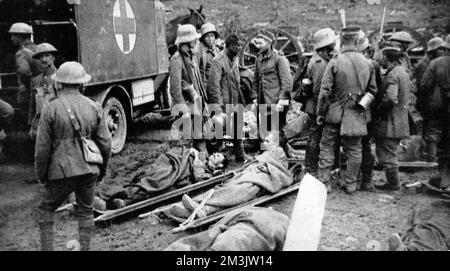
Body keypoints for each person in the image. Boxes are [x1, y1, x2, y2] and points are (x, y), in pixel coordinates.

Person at [35, 61, 112, 251]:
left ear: (59, 84)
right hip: (89, 169)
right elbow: (106, 143)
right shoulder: (93, 106)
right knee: (86, 211)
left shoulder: (50, 109)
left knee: (46, 208)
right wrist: (102, 171)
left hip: (61, 172)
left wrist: (42, 175)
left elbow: (42, 148)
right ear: (82, 84)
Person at [316, 26, 378, 194]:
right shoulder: (368, 63)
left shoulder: (335, 62)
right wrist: (360, 106)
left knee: (327, 146)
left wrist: (321, 114)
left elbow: (325, 93)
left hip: (334, 114)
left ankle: (325, 183)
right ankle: (351, 184)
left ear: (341, 41)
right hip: (356, 115)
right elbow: (372, 91)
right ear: (357, 41)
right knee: (355, 149)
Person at [207, 34, 255, 162]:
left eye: (240, 45)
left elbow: (238, 76)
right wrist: (218, 106)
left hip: (235, 100)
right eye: (236, 46)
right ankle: (215, 158)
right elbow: (214, 85)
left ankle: (240, 154)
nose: (239, 48)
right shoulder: (218, 61)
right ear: (228, 46)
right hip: (223, 103)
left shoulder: (235, 58)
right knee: (218, 130)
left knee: (237, 128)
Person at [370, 43, 411, 192]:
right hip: (399, 120)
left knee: (387, 154)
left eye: (383, 57)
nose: (381, 60)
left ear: (387, 58)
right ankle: (393, 183)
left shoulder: (393, 74)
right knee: (390, 152)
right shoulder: (402, 72)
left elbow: (390, 98)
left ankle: (394, 185)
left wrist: (378, 110)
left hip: (390, 122)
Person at [301, 28, 337, 180]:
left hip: (321, 106)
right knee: (315, 137)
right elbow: (317, 90)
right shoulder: (318, 63)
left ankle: (313, 167)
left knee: (318, 137)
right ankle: (310, 168)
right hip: (317, 106)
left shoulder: (323, 60)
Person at [169, 24, 209, 153]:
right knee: (185, 148)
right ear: (186, 41)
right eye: (194, 40)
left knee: (201, 141)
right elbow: (175, 89)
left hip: (197, 107)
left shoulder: (192, 57)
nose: (197, 42)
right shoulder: (177, 60)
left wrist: (203, 102)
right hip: (186, 110)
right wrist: (184, 110)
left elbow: (198, 82)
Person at [252, 32, 293, 157]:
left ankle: (283, 157)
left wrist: (282, 100)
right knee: (265, 131)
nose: (258, 46)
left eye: (261, 43)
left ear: (269, 42)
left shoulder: (279, 59)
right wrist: (255, 98)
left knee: (277, 131)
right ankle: (266, 156)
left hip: (276, 102)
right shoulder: (259, 58)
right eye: (256, 43)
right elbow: (256, 79)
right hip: (263, 101)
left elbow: (287, 82)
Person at [419, 35, 450, 191]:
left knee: (438, 139)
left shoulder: (435, 64)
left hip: (439, 108)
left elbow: (424, 86)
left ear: (445, 48)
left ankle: (440, 173)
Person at [358, 30, 382, 192]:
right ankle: (367, 179)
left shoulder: (341, 60)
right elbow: (377, 91)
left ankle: (354, 177)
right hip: (367, 113)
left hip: (350, 112)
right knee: (365, 146)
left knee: (352, 146)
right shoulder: (372, 64)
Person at [415, 37, 445, 162]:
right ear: (434, 50)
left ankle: (430, 154)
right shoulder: (424, 64)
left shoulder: (432, 62)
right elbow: (422, 87)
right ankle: (430, 157)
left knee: (431, 129)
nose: (443, 51)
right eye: (441, 49)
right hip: (430, 102)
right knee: (430, 130)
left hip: (435, 101)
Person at [9, 22, 41, 126]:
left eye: (13, 35)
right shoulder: (39, 49)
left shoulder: (21, 53)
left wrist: (28, 86)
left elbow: (23, 72)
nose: (11, 39)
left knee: (30, 123)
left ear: (20, 36)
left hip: (27, 94)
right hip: (41, 89)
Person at [29, 42, 58, 140]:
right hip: (40, 126)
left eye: (47, 55)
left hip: (56, 125)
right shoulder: (35, 80)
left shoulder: (60, 78)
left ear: (53, 57)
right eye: (40, 57)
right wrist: (31, 126)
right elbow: (32, 105)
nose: (43, 59)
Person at [197, 23, 221, 88]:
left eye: (212, 36)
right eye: (207, 36)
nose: (210, 39)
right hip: (205, 86)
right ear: (203, 38)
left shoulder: (216, 50)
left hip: (217, 84)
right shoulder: (199, 52)